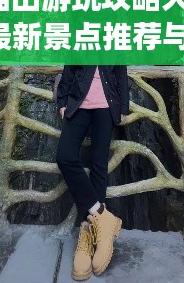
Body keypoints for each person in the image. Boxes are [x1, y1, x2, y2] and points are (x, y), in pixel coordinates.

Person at [55, 64, 130, 281]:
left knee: (99, 165)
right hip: (78, 105)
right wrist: (62, 101)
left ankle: (88, 234)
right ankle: (102, 216)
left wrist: (124, 107)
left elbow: (121, 74)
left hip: (106, 107)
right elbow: (69, 70)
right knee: (65, 157)